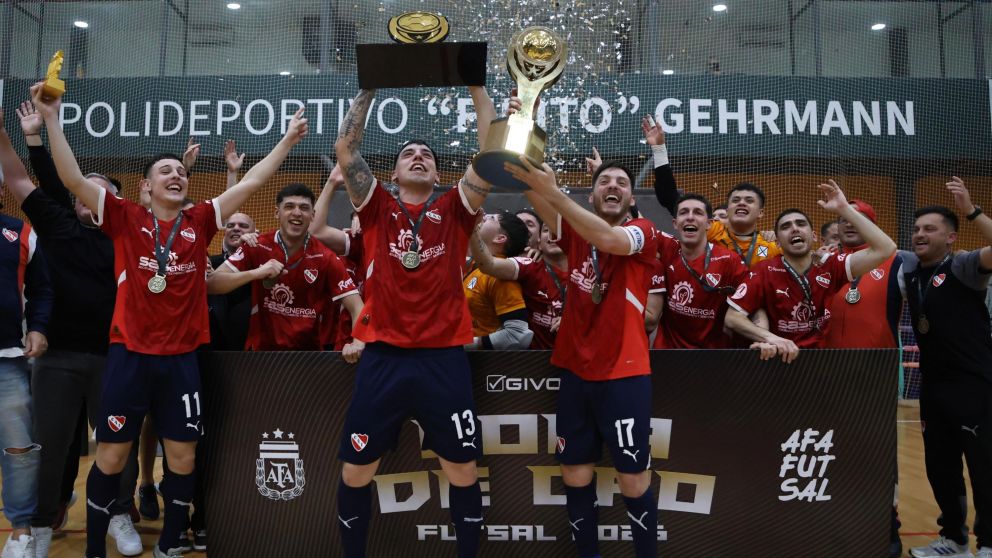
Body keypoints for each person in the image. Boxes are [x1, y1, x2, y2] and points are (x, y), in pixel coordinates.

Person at [31, 81, 309, 558]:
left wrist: (286, 141)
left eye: (181, 170)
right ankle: (96, 548)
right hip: (128, 358)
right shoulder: (123, 216)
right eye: (165, 170)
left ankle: (171, 542)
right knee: (112, 456)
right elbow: (74, 179)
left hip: (181, 362)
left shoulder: (200, 220)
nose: (176, 175)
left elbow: (252, 184)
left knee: (182, 458)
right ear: (146, 185)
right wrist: (52, 121)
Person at [333, 85, 496, 558]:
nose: (419, 156)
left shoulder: (453, 210)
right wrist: (369, 86)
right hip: (383, 356)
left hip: (443, 359)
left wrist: (476, 88)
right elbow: (346, 147)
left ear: (439, 172)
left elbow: (488, 155)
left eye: (427, 153)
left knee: (463, 469)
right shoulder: (377, 206)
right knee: (355, 472)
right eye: (409, 153)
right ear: (394, 171)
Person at [1, 102, 142, 557]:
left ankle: (120, 513)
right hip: (57, 358)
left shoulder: (129, 236)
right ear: (75, 199)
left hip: (114, 357)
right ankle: (41, 523)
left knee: (119, 442)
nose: (88, 199)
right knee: (50, 444)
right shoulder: (58, 224)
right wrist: (13, 134)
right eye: (83, 192)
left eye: (100, 194)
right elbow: (20, 179)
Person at [505, 157, 660, 558]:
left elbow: (611, 241)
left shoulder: (644, 231)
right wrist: (516, 134)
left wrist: (556, 191)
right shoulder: (574, 234)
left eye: (622, 182)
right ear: (591, 195)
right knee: (574, 474)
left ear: (631, 196)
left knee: (633, 480)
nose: (613, 185)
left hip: (624, 376)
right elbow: (527, 185)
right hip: (575, 373)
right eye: (604, 180)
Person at [902, 178, 992, 558]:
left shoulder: (964, 266)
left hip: (974, 385)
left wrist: (973, 210)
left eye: (930, 229)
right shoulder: (910, 272)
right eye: (917, 229)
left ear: (951, 236)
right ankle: (953, 539)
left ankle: (988, 543)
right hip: (933, 387)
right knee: (940, 467)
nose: (920, 235)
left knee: (984, 467)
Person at [724, 180, 897, 360]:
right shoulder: (764, 271)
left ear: (814, 236)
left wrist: (844, 208)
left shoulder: (831, 265)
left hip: (819, 363)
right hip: (778, 360)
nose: (794, 229)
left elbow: (886, 249)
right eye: (785, 227)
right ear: (777, 242)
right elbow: (733, 317)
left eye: (800, 224)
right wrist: (771, 338)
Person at [207, 182, 364, 357]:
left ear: (312, 215)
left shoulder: (325, 257)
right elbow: (211, 283)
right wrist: (256, 273)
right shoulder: (257, 245)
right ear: (277, 213)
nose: (297, 212)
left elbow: (358, 307)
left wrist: (357, 341)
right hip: (261, 355)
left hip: (307, 357)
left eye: (304, 208)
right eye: (289, 206)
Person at [0, 112, 53, 558]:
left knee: (19, 448)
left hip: (7, 361)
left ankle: (20, 530)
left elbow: (41, 290)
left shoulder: (20, 232)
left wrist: (36, 327)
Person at [647, 115, 779, 268]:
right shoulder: (711, 230)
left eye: (749, 200)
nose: (742, 203)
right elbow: (670, 199)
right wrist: (659, 150)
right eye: (735, 201)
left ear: (761, 212)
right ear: (728, 210)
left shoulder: (771, 248)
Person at [646, 193, 748, 349]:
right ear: (675, 223)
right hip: (668, 353)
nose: (690, 217)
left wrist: (764, 338)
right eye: (683, 212)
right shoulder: (668, 247)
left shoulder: (729, 261)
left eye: (698, 213)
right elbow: (636, 226)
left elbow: (754, 303)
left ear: (709, 224)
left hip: (713, 357)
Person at [469, 215, 566, 350]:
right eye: (545, 230)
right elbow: (488, 264)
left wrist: (576, 320)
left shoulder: (587, 272)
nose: (553, 234)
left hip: (575, 359)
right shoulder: (527, 266)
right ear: (538, 239)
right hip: (530, 361)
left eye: (560, 230)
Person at [463, 211, 533, 350]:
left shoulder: (501, 277)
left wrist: (465, 345)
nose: (485, 216)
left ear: (500, 238)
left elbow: (518, 335)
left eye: (492, 218)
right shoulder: (472, 265)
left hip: (485, 364)